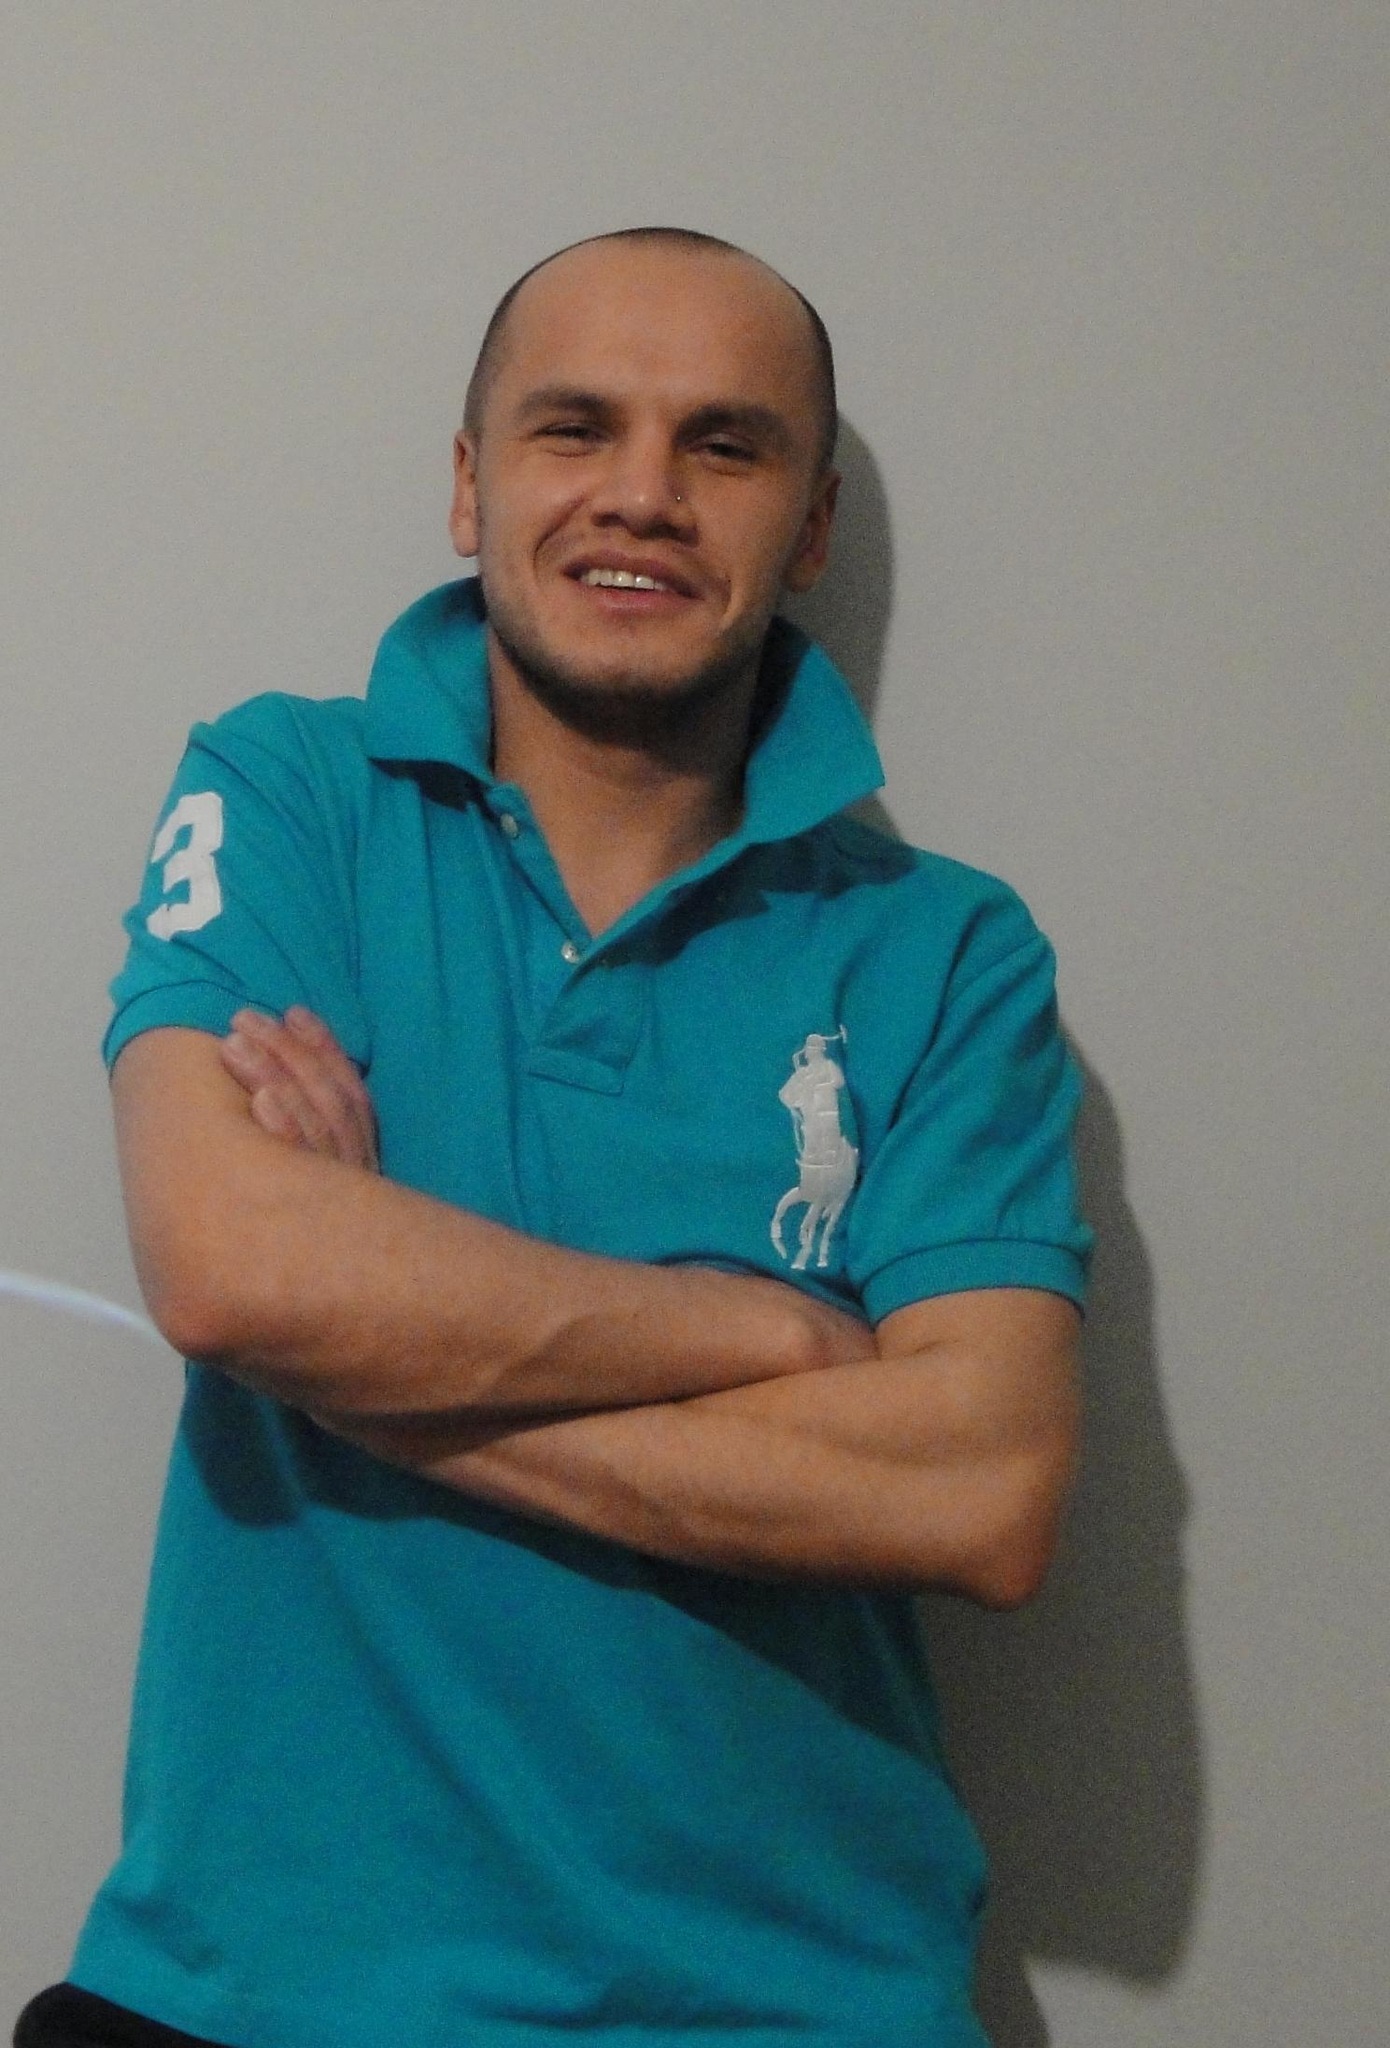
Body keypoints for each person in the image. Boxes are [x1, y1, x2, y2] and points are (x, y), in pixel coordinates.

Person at [16, 227, 1091, 2048]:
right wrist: (764, 1334)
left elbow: (978, 1492)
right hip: (249, 1994)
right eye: (573, 427)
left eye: (724, 445)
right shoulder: (287, 792)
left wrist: (363, 1354)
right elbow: (228, 1264)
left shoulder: (945, 950)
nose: (642, 494)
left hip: (787, 2009)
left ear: (809, 527)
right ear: (469, 485)